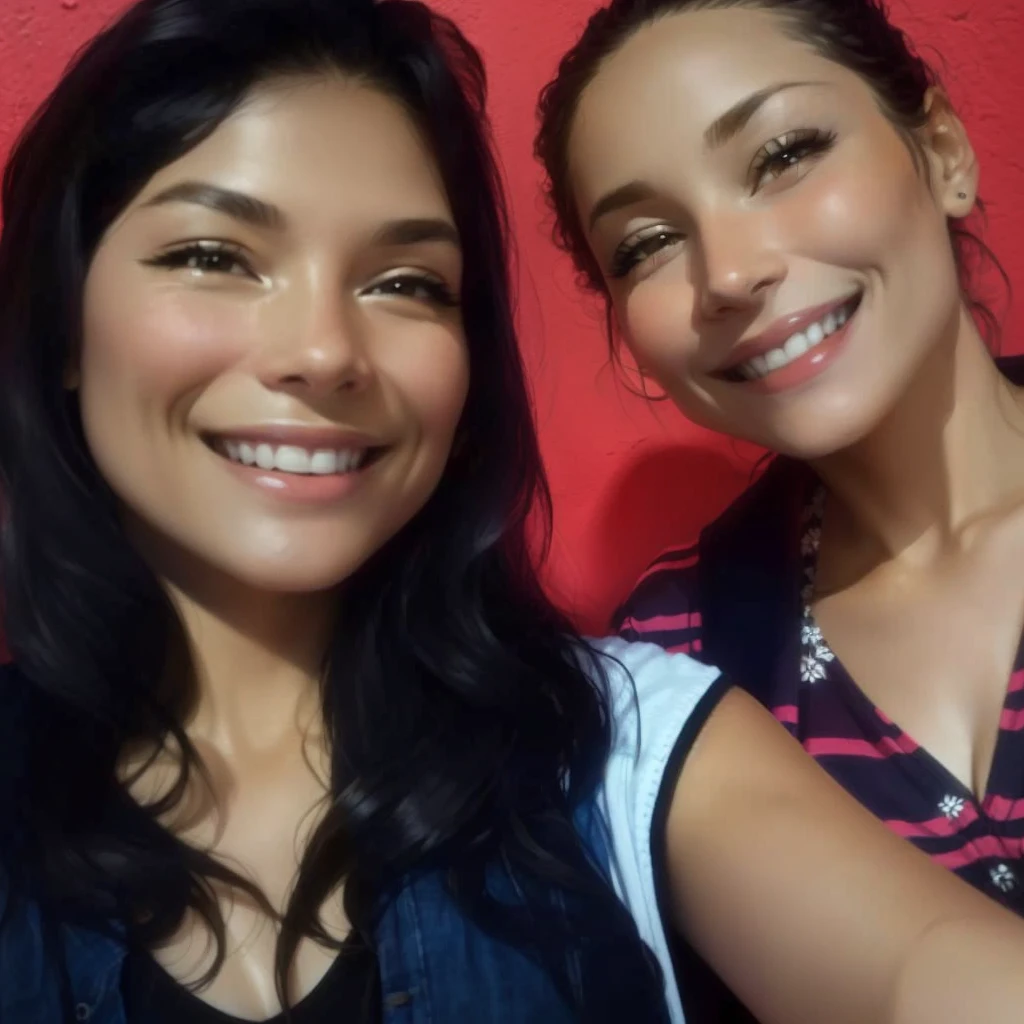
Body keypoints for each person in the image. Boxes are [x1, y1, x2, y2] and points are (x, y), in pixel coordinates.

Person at [3, 2, 1024, 1023]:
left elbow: (919, 968)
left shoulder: (619, 732)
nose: (322, 350)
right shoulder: (690, 618)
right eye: (213, 255)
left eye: (403, 281)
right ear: (64, 320)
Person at [535, 0, 1021, 1018]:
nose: (729, 272)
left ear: (940, 150)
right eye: (648, 242)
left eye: (783, 154)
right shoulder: (672, 659)